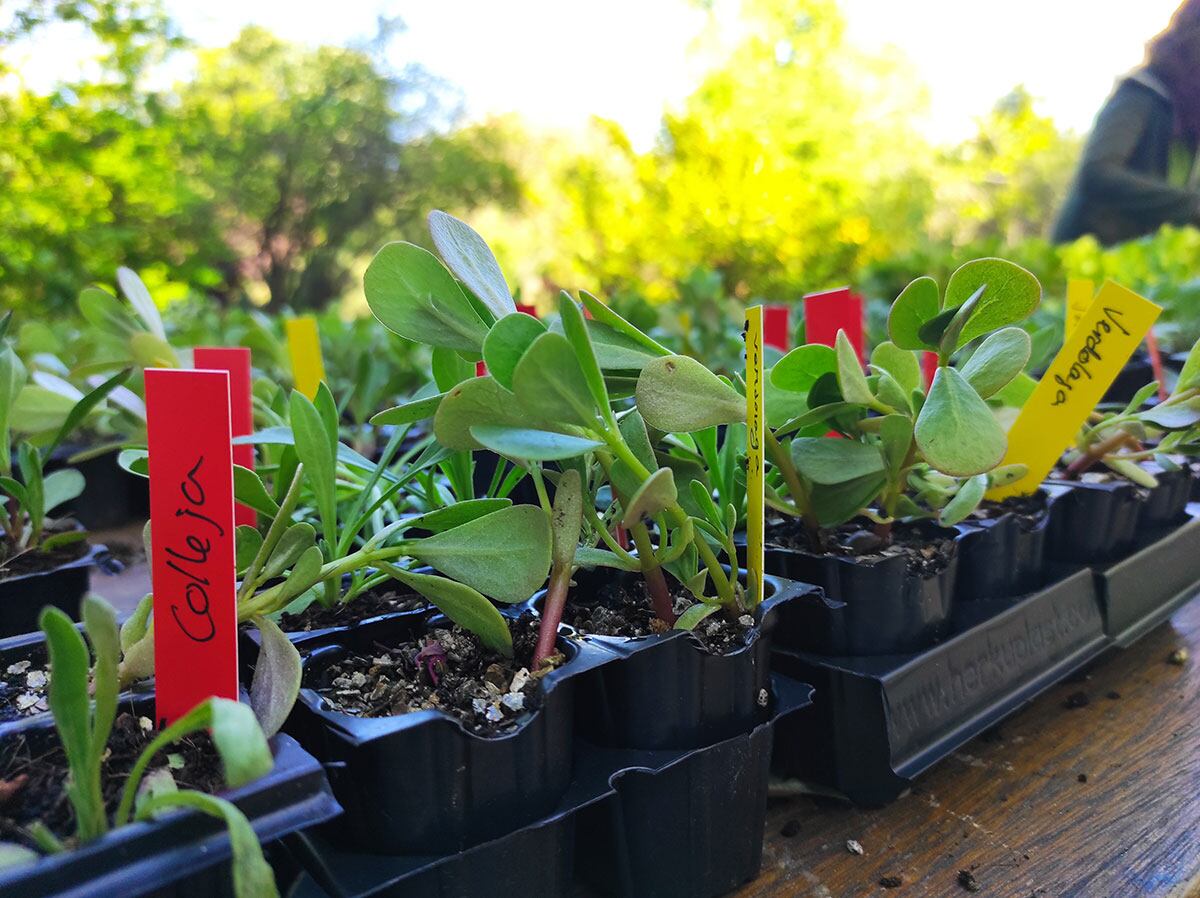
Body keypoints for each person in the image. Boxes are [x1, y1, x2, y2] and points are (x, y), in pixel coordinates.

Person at [1053, 0, 1200, 244]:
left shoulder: (1190, 122)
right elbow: (1098, 172)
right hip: (1086, 266)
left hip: (1134, 274)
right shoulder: (1142, 92)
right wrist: (1192, 205)